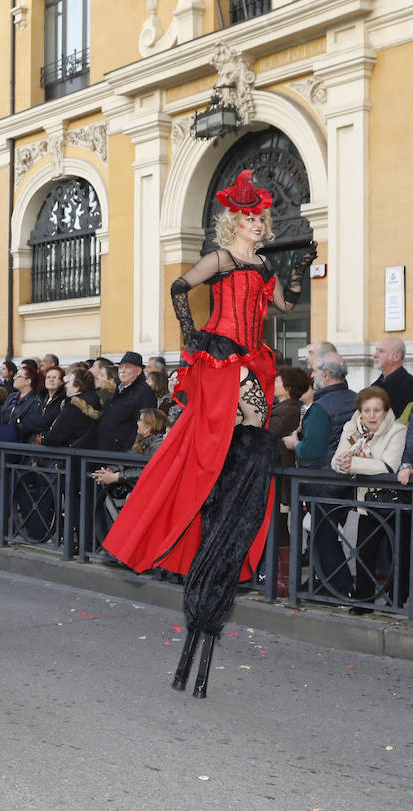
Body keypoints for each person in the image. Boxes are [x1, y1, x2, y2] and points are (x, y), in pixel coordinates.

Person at [103, 169, 313, 698]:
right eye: (249, 218)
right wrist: (194, 338)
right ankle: (203, 492)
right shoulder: (220, 260)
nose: (259, 226)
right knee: (213, 444)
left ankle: (227, 511)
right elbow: (180, 287)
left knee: (252, 440)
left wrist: (297, 272)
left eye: (261, 218)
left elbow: (283, 308)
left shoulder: (263, 264)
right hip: (221, 360)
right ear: (232, 224)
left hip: (254, 362)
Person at [286, 351, 357, 598]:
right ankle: (323, 584)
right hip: (345, 479)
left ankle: (338, 587)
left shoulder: (322, 406)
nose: (312, 375)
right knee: (328, 534)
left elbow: (313, 450)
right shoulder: (355, 399)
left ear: (326, 375)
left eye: (315, 371)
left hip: (321, 481)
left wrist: (295, 444)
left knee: (323, 536)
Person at [331, 387, 406, 613]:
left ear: (385, 411)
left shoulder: (397, 429)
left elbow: (388, 466)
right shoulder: (351, 428)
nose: (372, 415)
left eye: (377, 410)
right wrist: (344, 463)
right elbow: (336, 461)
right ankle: (364, 600)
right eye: (367, 410)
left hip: (394, 500)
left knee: (398, 552)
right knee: (364, 550)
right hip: (367, 501)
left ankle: (397, 601)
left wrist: (352, 464)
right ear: (360, 411)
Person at [97, 352, 158, 452]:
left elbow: (145, 425)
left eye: (128, 367)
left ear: (138, 371)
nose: (122, 371)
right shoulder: (115, 388)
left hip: (122, 454)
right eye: (120, 367)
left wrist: (126, 449)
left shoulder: (144, 392)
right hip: (104, 449)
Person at [370, 337, 413, 420]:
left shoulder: (410, 387)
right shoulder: (374, 386)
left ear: (396, 356)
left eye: (381, 351)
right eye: (376, 350)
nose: (375, 355)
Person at [23, 365, 67, 444]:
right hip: (33, 443)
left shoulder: (64, 400)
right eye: (48, 377)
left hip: (51, 446)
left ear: (62, 381)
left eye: (55, 377)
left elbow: (47, 422)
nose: (51, 380)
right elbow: (25, 419)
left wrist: (38, 425)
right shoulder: (38, 397)